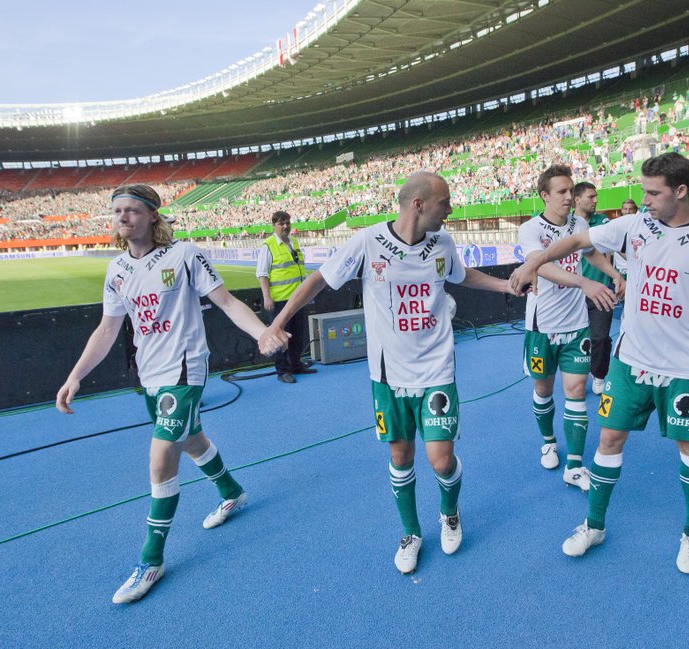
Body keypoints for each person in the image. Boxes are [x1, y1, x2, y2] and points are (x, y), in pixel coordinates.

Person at [510, 153, 689, 574]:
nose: (644, 200)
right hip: (630, 364)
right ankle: (594, 525)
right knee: (609, 440)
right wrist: (533, 261)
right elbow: (577, 242)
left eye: (653, 193)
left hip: (683, 370)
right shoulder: (634, 225)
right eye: (643, 191)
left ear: (681, 191)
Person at [258, 172, 513, 574]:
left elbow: (463, 276)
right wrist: (277, 323)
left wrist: (505, 287)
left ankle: (449, 512)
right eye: (444, 202)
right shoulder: (368, 241)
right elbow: (318, 280)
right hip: (388, 377)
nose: (450, 209)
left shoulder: (443, 243)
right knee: (400, 455)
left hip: (436, 370)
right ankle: (411, 532)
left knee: (441, 461)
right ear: (418, 204)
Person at [55, 184, 273, 604]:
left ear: (153, 216)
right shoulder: (117, 269)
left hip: (185, 369)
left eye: (132, 210)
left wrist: (262, 332)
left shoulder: (185, 255)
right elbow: (107, 329)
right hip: (150, 373)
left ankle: (151, 560)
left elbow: (227, 302)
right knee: (191, 441)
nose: (123, 217)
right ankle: (232, 493)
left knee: (160, 458)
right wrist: (76, 375)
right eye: (117, 210)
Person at [518, 166, 618, 492]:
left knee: (576, 391)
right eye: (561, 191)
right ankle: (548, 442)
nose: (568, 197)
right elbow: (541, 265)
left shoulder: (581, 225)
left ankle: (574, 466)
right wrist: (583, 282)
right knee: (544, 390)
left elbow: (591, 253)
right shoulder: (530, 229)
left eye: (571, 190)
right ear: (544, 195)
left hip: (577, 326)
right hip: (542, 326)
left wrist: (615, 275)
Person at [573, 181, 625, 397]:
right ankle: (576, 373)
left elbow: (618, 247)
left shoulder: (602, 222)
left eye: (596, 196)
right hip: (574, 292)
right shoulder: (568, 225)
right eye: (591, 197)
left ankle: (599, 375)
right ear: (577, 199)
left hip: (602, 290)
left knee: (601, 337)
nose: (595, 200)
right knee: (576, 338)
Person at [257, 210, 316, 383]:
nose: (285, 226)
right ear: (274, 226)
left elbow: (300, 271)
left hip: (297, 299)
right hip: (280, 300)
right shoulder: (268, 246)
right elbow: (262, 274)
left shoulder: (294, 243)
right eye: (281, 223)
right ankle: (282, 370)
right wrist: (267, 297)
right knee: (279, 336)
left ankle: (296, 365)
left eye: (287, 223)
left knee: (298, 334)